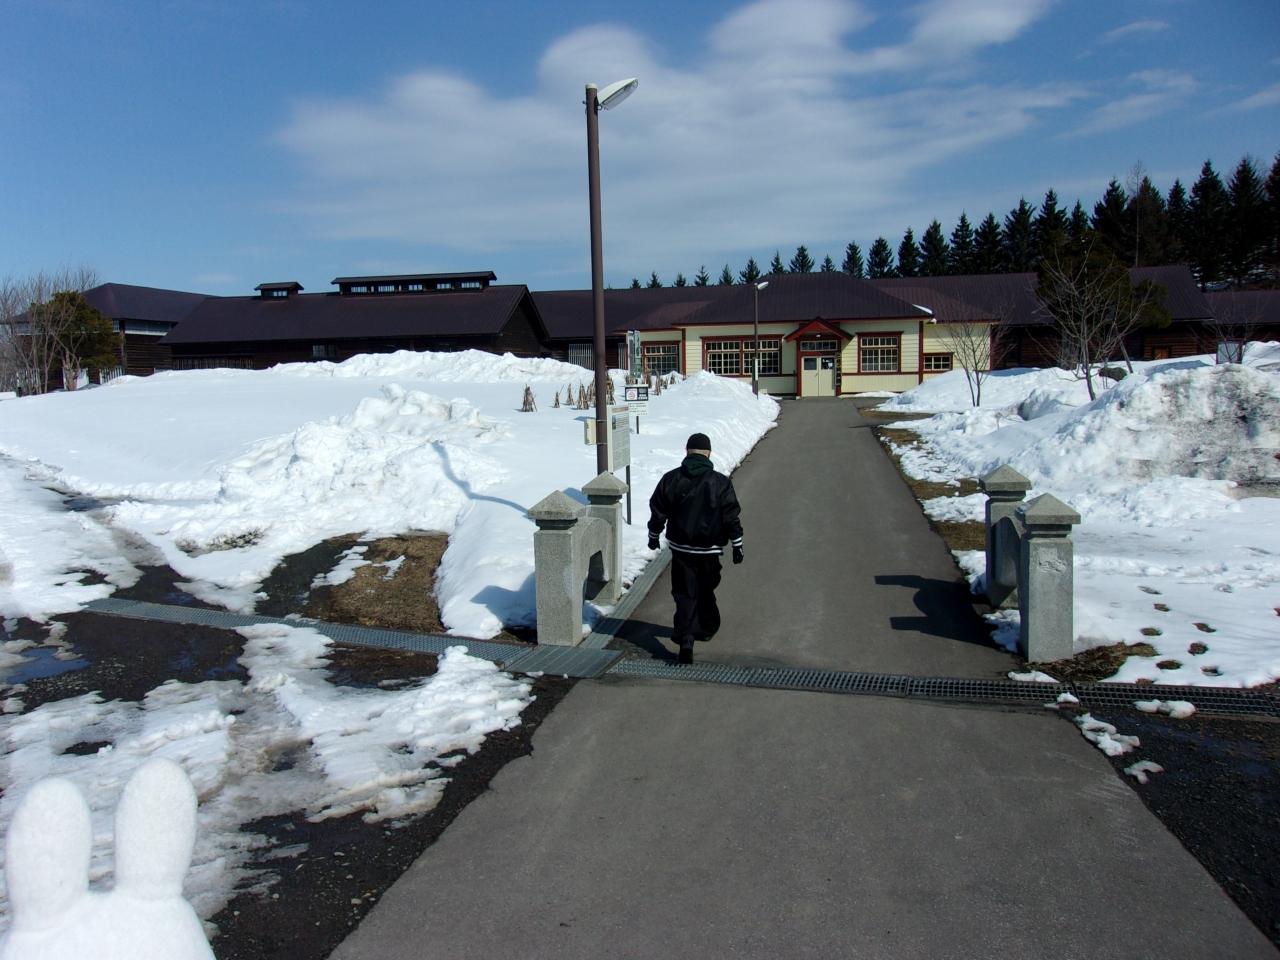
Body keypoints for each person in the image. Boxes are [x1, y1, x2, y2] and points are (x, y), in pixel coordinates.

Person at [647, 432, 744, 664]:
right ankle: (706, 627)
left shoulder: (671, 479)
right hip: (710, 549)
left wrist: (654, 535)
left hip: (681, 549)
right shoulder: (720, 482)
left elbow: (658, 508)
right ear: (708, 453)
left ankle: (687, 638)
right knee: (705, 588)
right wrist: (737, 544)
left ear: (687, 451)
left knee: (684, 593)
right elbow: (730, 515)